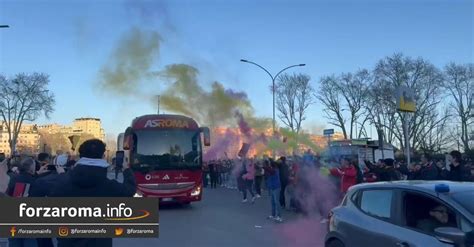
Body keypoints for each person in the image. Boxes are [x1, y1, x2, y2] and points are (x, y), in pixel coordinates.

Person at [50, 139, 136, 247]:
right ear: (103, 156)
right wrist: (126, 170)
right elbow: (129, 191)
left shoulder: (63, 182)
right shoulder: (108, 185)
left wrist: (62, 176)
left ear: (80, 156)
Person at [7, 157, 39, 247]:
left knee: (14, 240)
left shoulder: (12, 178)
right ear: (31, 168)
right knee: (29, 240)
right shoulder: (35, 181)